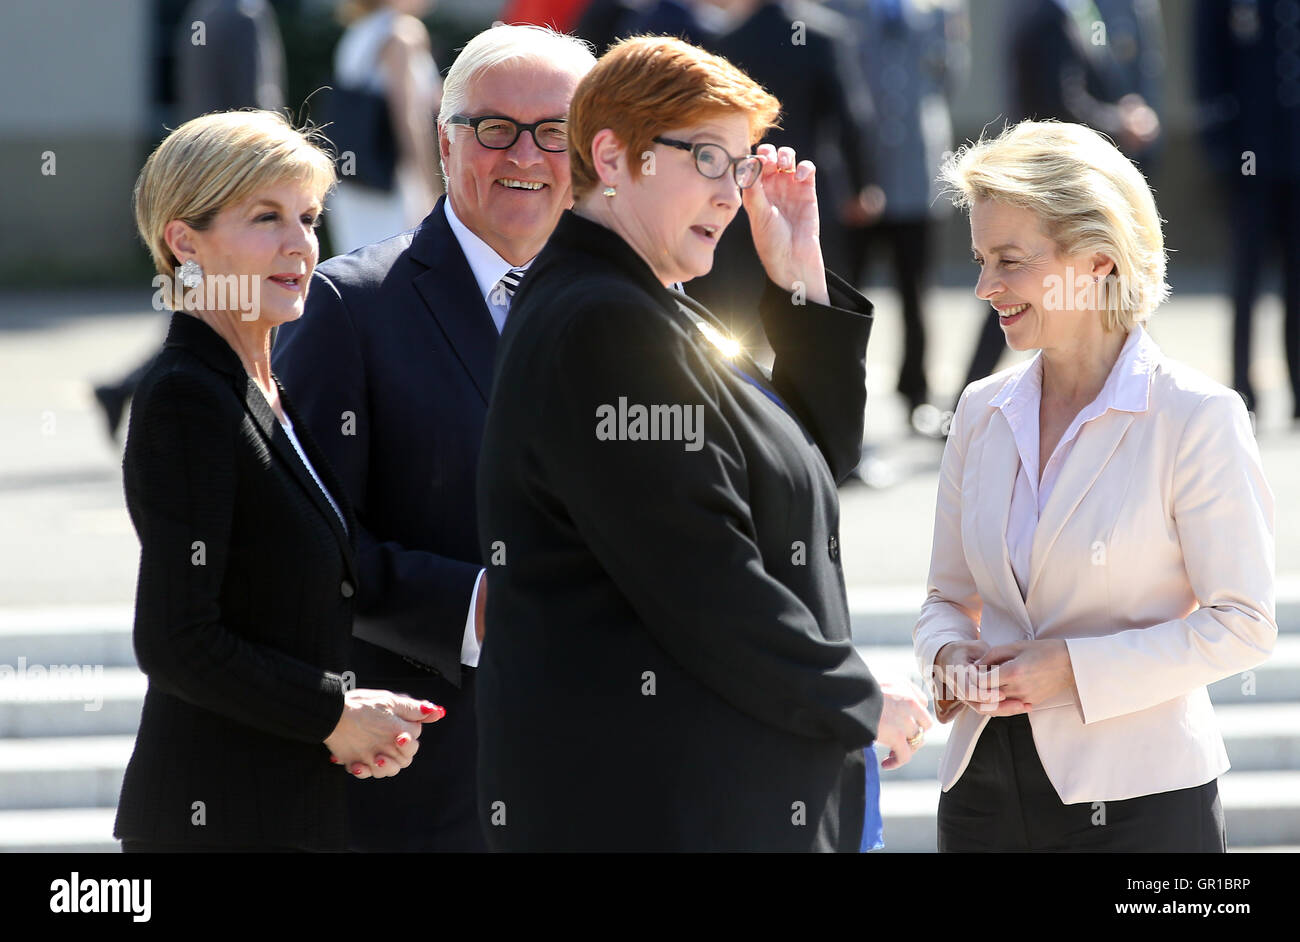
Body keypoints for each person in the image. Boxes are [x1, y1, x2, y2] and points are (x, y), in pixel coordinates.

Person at [475, 35, 932, 852]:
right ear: (613, 156)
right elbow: (702, 576)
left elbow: (812, 466)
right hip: (662, 808)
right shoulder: (603, 320)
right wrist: (857, 699)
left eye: (745, 165)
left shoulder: (646, 302)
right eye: (709, 160)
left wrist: (798, 280)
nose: (732, 194)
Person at [273, 24, 597, 852]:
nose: (525, 154)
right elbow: (306, 547)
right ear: (446, 144)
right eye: (495, 128)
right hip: (429, 780)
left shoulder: (638, 314)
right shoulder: (349, 309)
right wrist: (478, 608)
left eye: (554, 131)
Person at [916, 120, 1276, 852]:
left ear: (1098, 263)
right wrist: (949, 657)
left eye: (1009, 261)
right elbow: (945, 601)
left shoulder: (1198, 416)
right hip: (980, 799)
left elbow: (1243, 623)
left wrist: (1073, 672)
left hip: (1143, 806)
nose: (985, 287)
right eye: (982, 259)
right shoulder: (981, 411)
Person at [113, 111, 445, 853]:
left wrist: (356, 706)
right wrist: (334, 714)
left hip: (289, 808)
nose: (300, 243)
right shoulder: (186, 396)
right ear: (184, 241)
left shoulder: (263, 386)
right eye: (266, 218)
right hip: (217, 819)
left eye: (308, 216)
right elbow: (177, 640)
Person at [92, 0, 290, 441]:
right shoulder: (244, 13)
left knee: (200, 303)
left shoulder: (202, 13)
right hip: (238, 182)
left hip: (203, 180)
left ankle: (124, 389)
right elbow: (257, 105)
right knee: (226, 307)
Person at [1195, 0, 1300, 419]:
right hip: (1249, 155)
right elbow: (1208, 60)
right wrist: (1220, 149)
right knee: (1246, 278)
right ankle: (1244, 388)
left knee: (1297, 279)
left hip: (1296, 155)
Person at [326, 0, 443, 254]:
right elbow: (409, 118)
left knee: (355, 264)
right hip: (390, 176)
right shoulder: (403, 33)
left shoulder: (359, 30)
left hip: (353, 172)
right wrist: (429, 182)